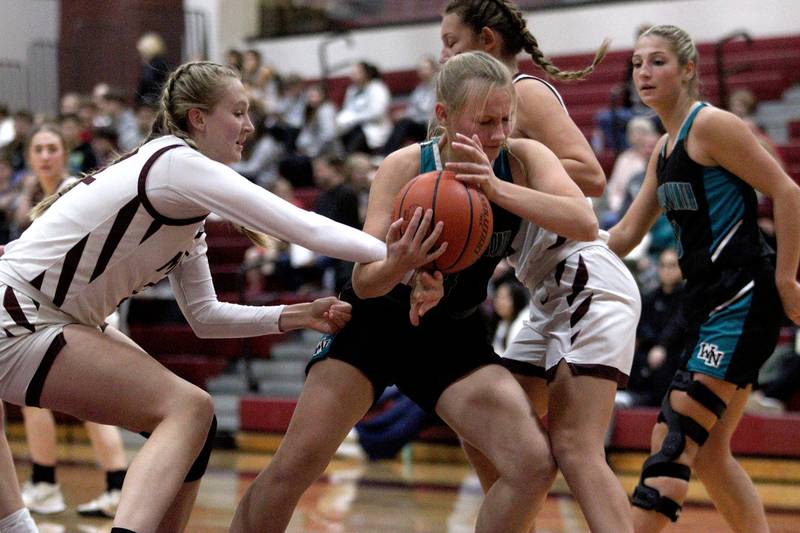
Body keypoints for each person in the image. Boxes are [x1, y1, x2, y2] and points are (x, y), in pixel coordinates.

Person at [0, 60, 399, 533]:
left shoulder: (185, 206)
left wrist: (295, 315)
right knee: (188, 410)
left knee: (198, 427)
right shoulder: (174, 164)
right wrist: (398, 256)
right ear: (198, 119)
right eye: (239, 111)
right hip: (21, 313)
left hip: (47, 315)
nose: (250, 126)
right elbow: (302, 225)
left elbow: (204, 317)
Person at [230, 50, 599, 533]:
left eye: (506, 119)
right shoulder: (405, 167)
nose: (497, 134)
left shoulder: (522, 160)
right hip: (374, 324)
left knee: (532, 465)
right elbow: (363, 281)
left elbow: (585, 221)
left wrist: (495, 189)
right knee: (294, 467)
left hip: (450, 333)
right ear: (443, 117)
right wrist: (401, 264)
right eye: (484, 121)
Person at [440, 3, 640, 532]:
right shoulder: (472, 121)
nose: (443, 54)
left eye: (451, 42)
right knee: (485, 426)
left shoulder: (520, 93)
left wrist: (506, 179)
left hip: (581, 274)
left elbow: (591, 179)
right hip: (550, 292)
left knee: (575, 447)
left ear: (485, 41)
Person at [607, 25, 800, 532]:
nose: (643, 73)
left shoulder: (712, 126)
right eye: (637, 64)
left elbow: (787, 192)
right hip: (705, 301)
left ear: (688, 69)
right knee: (711, 455)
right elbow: (625, 233)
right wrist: (558, 252)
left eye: (658, 62)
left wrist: (787, 281)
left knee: (674, 438)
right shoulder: (663, 149)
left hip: (742, 295)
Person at [335, 61, 392, 154]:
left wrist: (354, 118)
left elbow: (377, 113)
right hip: (354, 126)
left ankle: (346, 158)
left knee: (358, 133)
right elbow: (347, 109)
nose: (352, 75)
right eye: (352, 73)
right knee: (340, 134)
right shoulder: (352, 90)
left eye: (356, 72)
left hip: (375, 128)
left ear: (366, 74)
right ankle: (340, 159)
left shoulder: (378, 88)